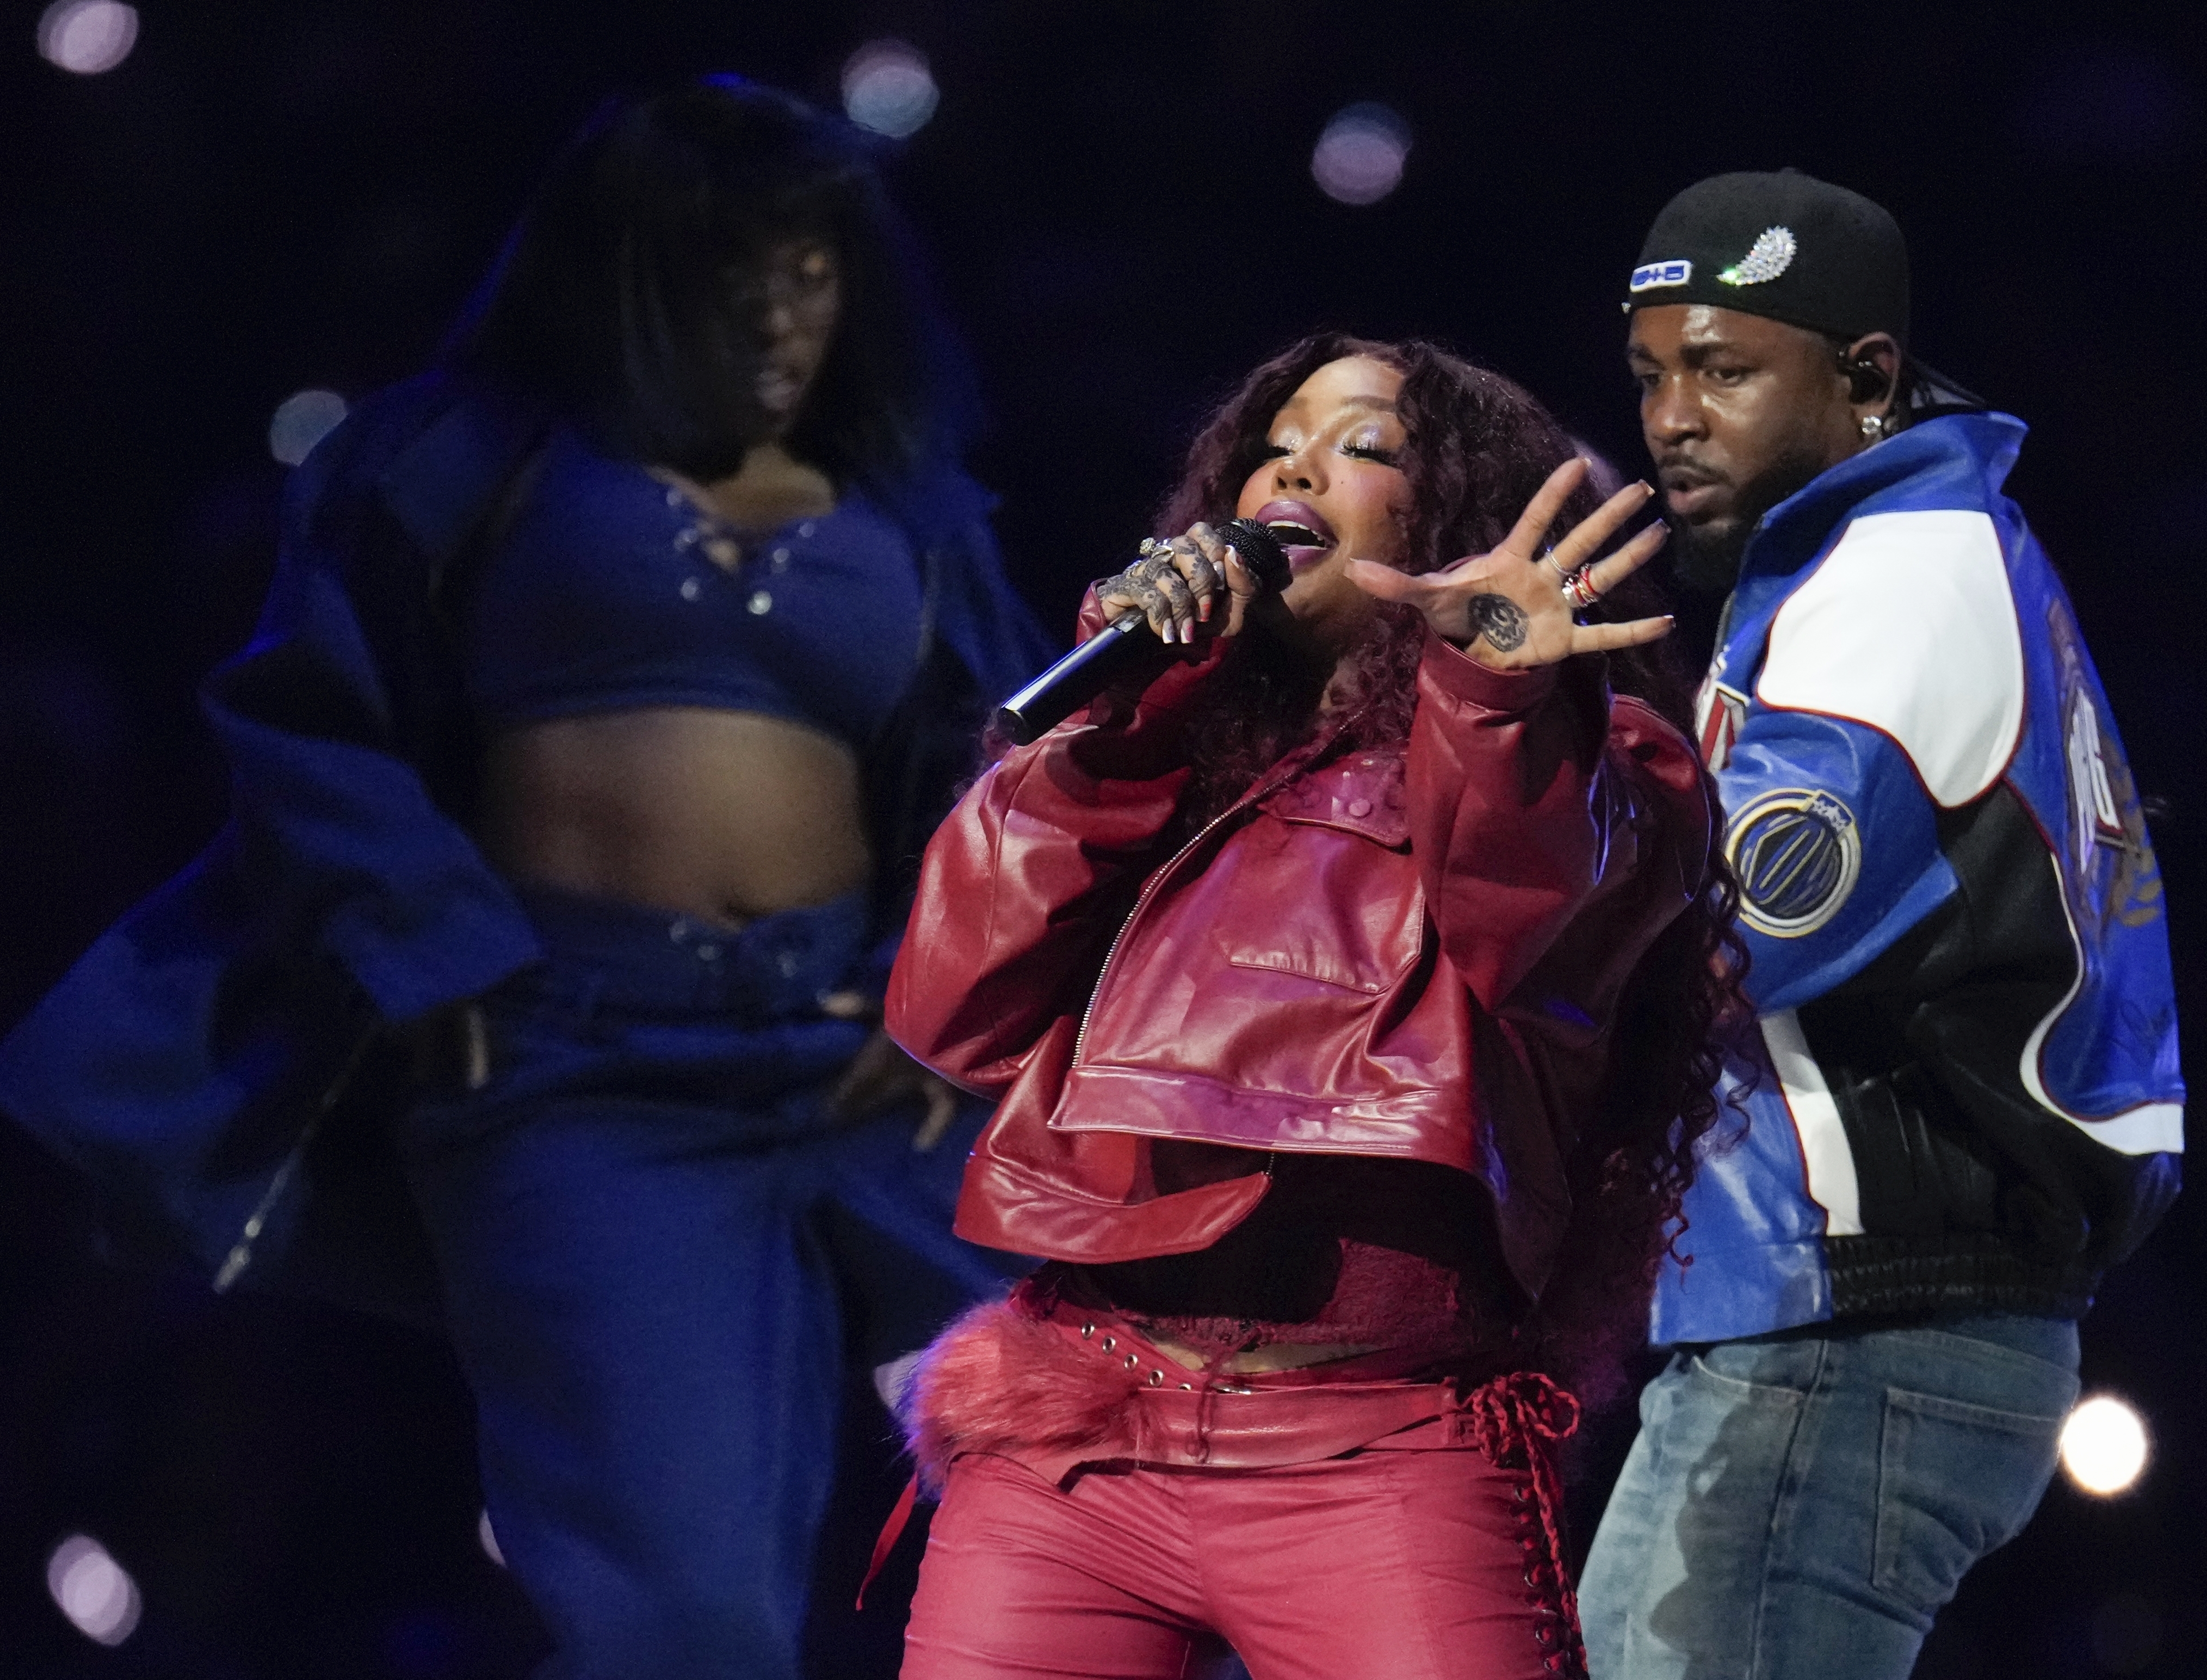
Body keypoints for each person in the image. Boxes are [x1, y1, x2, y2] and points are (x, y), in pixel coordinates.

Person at [0, 78, 1046, 1679]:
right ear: (625, 273)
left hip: (864, 1064)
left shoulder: (912, 511)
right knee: (686, 1614)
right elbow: (310, 727)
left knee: (1109, 1503)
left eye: (812, 270)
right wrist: (434, 959)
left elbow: (1002, 787)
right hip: (585, 1061)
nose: (779, 312)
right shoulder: (461, 465)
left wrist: (939, 997)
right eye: (732, 269)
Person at [880, 335, 1748, 1679]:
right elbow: (950, 1006)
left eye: (1364, 445)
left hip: (1378, 1455)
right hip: (1078, 1446)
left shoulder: (1594, 753)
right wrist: (1127, 717)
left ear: (1455, 516)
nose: (1295, 463)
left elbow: (1525, 911)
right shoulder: (1163, 746)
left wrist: (1501, 696)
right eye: (1275, 443)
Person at [1575, 172, 2184, 1678]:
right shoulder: (1882, 557)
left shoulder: (1902, 575)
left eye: (1724, 371)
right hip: (1835, 1313)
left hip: (1866, 1319)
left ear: (1865, 379)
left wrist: (1496, 747)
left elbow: (1717, 934)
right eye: (1651, 376)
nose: (1671, 420)